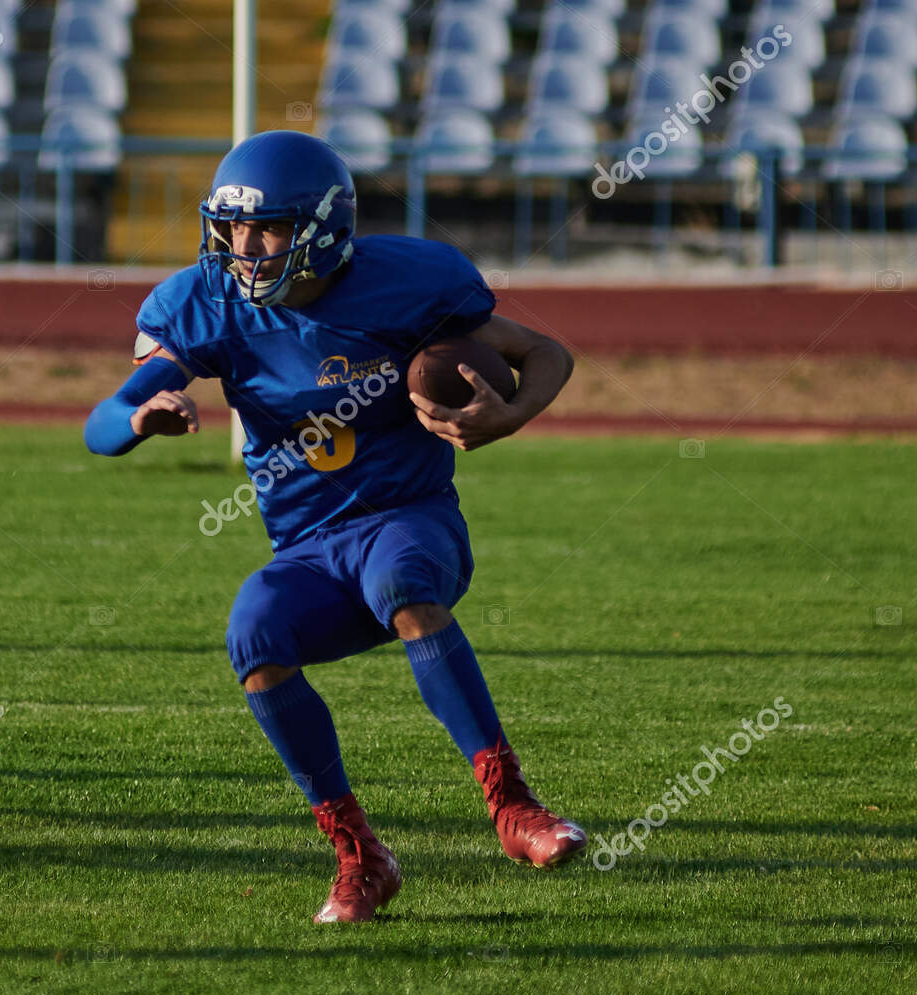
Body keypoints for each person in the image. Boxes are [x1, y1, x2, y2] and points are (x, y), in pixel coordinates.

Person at [84, 131, 585, 923]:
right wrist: (141, 413)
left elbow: (543, 352)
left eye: (268, 228)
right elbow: (100, 424)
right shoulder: (208, 301)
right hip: (310, 549)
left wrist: (510, 414)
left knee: (402, 579)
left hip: (409, 517)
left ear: (322, 226)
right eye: (232, 228)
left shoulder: (406, 283)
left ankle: (513, 805)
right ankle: (360, 854)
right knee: (253, 627)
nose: (243, 248)